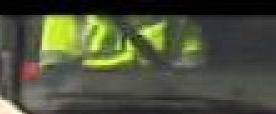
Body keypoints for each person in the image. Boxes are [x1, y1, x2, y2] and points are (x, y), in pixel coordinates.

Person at [38, 15, 205, 70]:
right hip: (84, 108)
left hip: (163, 109)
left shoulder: (178, 20)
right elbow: (54, 79)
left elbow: (193, 80)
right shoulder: (64, 17)